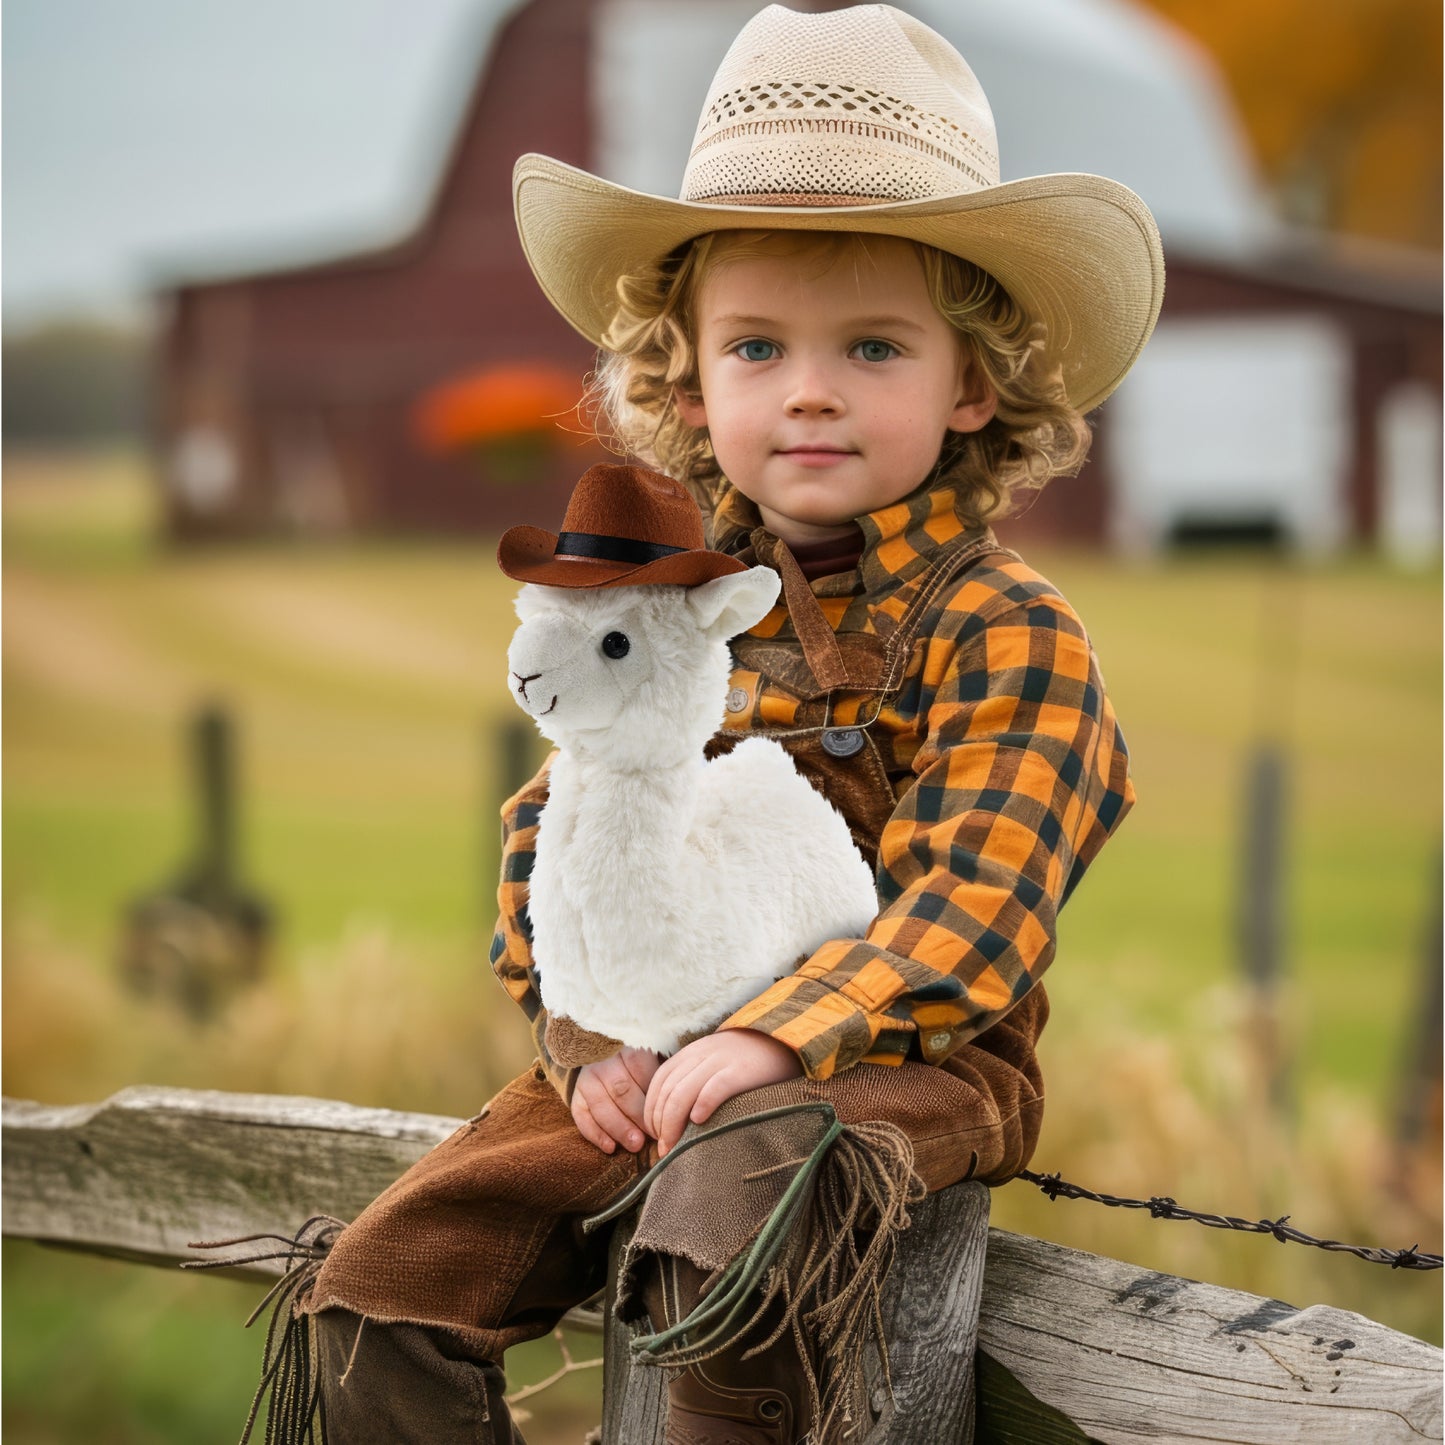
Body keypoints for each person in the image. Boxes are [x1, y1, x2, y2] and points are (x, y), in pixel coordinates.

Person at [236, 5, 1162, 1442]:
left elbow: (973, 910)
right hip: (649, 1047)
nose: (805, 387)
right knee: (385, 1287)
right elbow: (562, 824)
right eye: (753, 348)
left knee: (729, 1207)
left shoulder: (1004, 630)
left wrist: (779, 1040)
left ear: (970, 380)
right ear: (683, 378)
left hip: (902, 1059)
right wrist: (579, 1034)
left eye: (869, 346)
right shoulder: (667, 605)